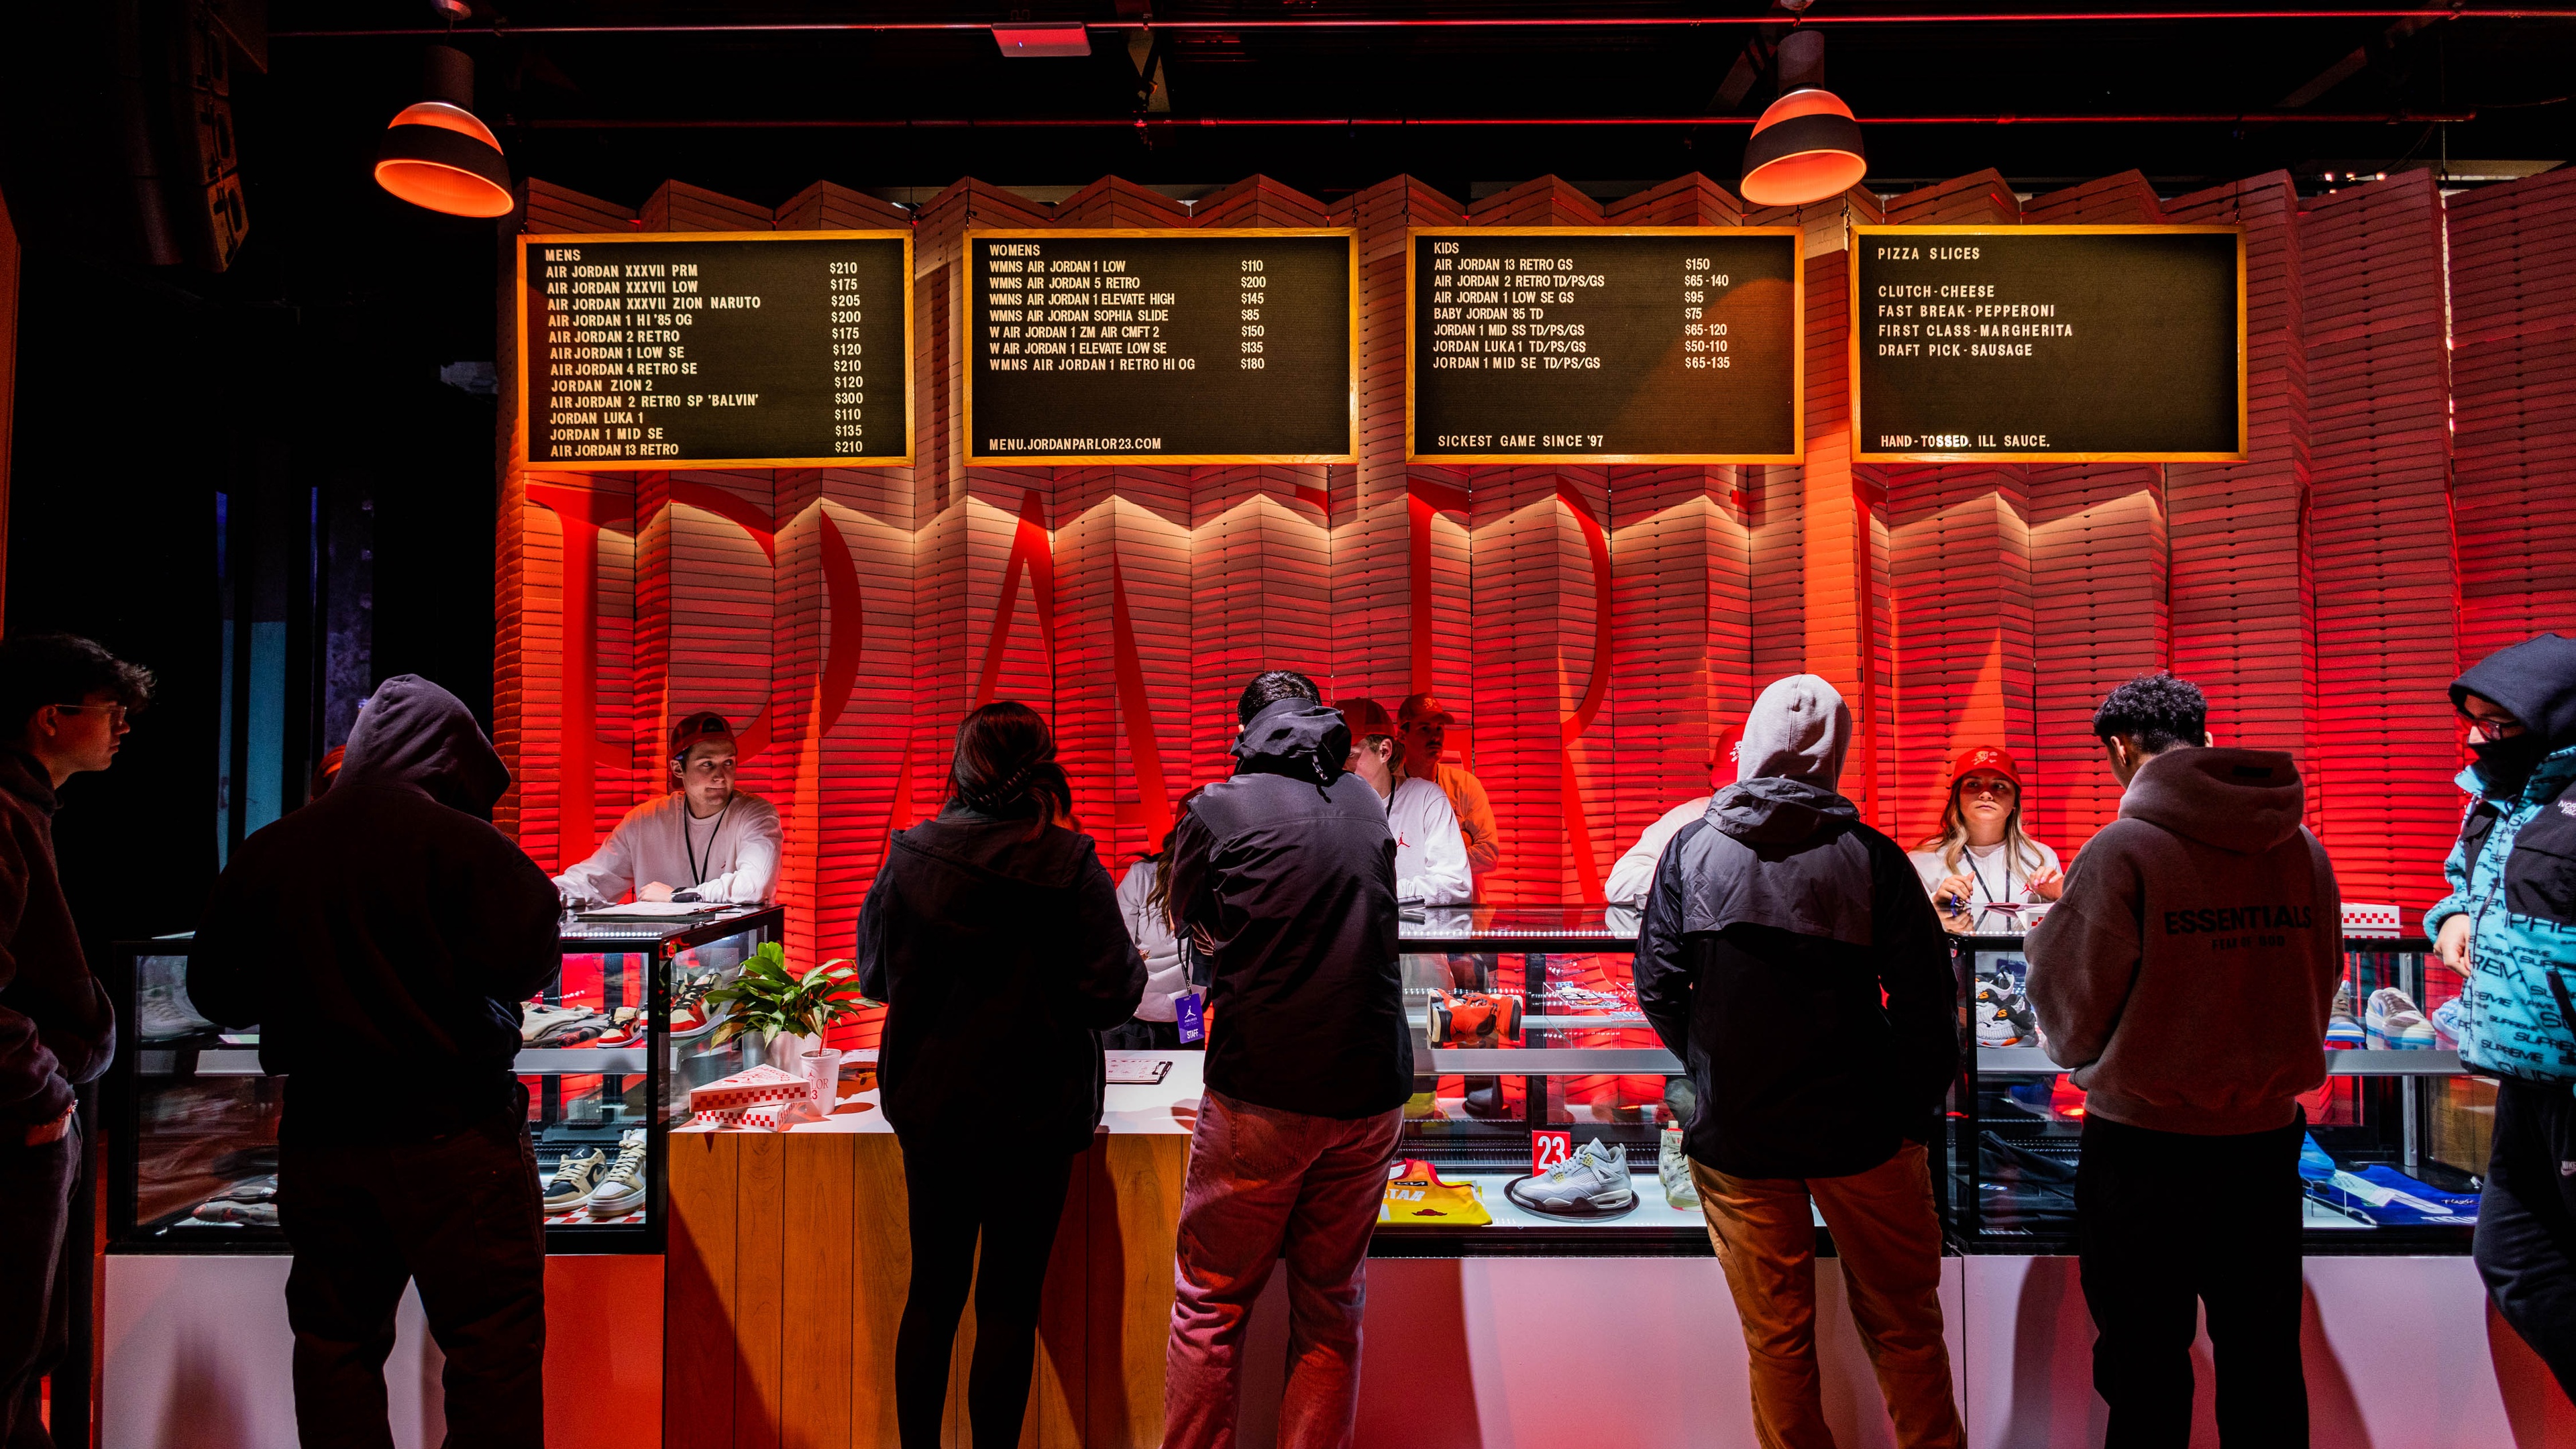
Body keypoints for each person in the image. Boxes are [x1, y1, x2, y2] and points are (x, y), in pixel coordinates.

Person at [187, 676, 561, 1448]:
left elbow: (216, 994)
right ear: (451, 757)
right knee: (492, 1347)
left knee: (335, 1344)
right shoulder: (466, 846)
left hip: (323, 1136)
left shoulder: (272, 849)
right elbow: (528, 963)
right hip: (454, 1139)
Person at [1634, 674, 1965, 1449]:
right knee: (1907, 1334)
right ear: (1836, 753)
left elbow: (1657, 985)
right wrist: (1906, 1113)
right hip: (1865, 1133)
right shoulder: (1871, 858)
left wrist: (1716, 1067)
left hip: (1740, 1137)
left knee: (1778, 1345)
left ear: (1751, 744)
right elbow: (1927, 1004)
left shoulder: (1690, 849)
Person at [2025, 672, 2339, 1447]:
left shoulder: (2122, 850)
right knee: (2264, 1362)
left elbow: (2069, 1019)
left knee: (2143, 1367)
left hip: (2144, 1147)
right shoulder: (2301, 848)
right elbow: (2325, 976)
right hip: (2265, 1148)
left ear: (2123, 748)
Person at [855, 702, 1144, 1449]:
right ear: (1039, 766)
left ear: (961, 764)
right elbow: (1116, 991)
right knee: (1009, 1305)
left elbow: (876, 979)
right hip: (1035, 1114)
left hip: (933, 1108)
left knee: (933, 1294)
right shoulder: (1069, 860)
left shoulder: (909, 855)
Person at [1163, 671, 1409, 1449]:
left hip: (1263, 1093)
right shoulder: (1366, 802)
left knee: (1210, 1304)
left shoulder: (1218, 806)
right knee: (1331, 1308)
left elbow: (1193, 919)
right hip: (1371, 1094)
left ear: (1248, 731)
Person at [0, 635, 148, 1449]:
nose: (122, 726)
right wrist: (43, 1094)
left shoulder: (27, 808)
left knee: (29, 1344)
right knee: (13, 1340)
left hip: (31, 1122)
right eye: (111, 711)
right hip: (15, 1130)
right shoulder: (3, 811)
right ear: (52, 719)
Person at [2424, 633, 2576, 1397]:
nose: (2479, 737)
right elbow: (2464, 878)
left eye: (2500, 723)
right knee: (2512, 1256)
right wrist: (2449, 915)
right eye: (2474, 720)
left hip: (2572, 1085)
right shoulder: (2493, 797)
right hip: (2521, 1076)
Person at [553, 710, 784, 907]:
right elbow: (594, 880)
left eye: (728, 763)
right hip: (663, 956)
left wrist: (677, 896)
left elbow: (756, 885)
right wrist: (538, 894)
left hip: (735, 953)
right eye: (707, 764)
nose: (720, 777)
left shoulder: (756, 814)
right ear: (677, 768)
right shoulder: (645, 820)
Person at [1909, 746, 2065, 933]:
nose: (1986, 794)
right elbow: (1905, 935)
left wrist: (2061, 898)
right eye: (1973, 785)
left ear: (2015, 801)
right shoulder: (1922, 860)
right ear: (1957, 797)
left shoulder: (2041, 859)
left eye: (1999, 786)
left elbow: (2061, 934)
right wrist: (1934, 907)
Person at [1341, 698, 1470, 906]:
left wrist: (1379, 892)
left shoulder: (1427, 799)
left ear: (1384, 751)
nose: (1340, 765)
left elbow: (1456, 885)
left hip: (1414, 935)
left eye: (1349, 755)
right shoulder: (1329, 806)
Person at [1108, 788, 1205, 1052]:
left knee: (1186, 1083)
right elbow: (1118, 946)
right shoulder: (1143, 876)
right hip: (1140, 1012)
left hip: (1186, 1008)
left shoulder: (1216, 879)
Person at [1605, 724, 1745, 907]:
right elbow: (1620, 885)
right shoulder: (1688, 818)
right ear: (1711, 782)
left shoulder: (1788, 824)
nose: (1734, 799)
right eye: (1724, 790)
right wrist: (1693, 876)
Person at [1395, 692, 1497, 894]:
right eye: (1424, 729)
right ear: (1402, 736)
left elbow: (1489, 854)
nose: (1435, 737)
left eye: (1439, 728)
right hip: (1408, 913)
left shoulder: (1466, 786)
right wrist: (1456, 845)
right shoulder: (1391, 788)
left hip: (1464, 915)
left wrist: (1416, 857)